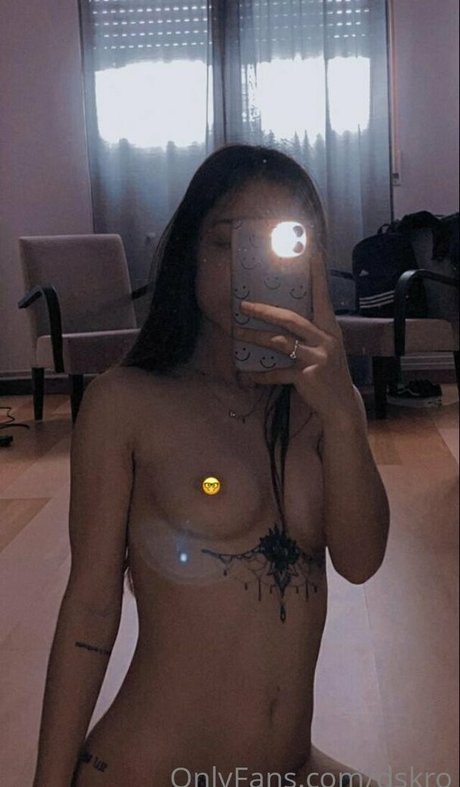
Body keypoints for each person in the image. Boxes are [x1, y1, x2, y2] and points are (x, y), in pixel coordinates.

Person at [32, 145, 390, 787]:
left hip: (292, 770)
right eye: (227, 242)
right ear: (189, 253)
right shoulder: (126, 402)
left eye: (277, 246)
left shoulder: (322, 407)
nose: (248, 269)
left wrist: (343, 411)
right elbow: (89, 608)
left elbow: (360, 561)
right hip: (150, 769)